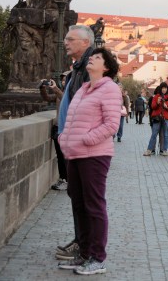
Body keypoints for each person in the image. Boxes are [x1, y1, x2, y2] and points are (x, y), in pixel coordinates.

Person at [57, 47, 121, 275]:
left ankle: (97, 257)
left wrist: (86, 139)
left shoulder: (110, 89)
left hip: (95, 155)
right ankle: (83, 254)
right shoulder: (84, 89)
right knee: (79, 204)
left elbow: (112, 124)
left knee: (94, 205)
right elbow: (70, 120)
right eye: (91, 56)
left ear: (105, 67)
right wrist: (64, 139)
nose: (90, 59)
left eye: (96, 57)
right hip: (74, 154)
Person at [54, 24, 94, 262]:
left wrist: (79, 139)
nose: (65, 42)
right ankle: (80, 242)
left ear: (85, 43)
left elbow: (93, 111)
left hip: (82, 147)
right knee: (76, 196)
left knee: (86, 200)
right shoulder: (79, 69)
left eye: (70, 39)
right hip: (72, 143)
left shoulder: (90, 69)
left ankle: (86, 248)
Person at [40, 71, 69, 190]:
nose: (63, 81)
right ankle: (64, 179)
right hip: (58, 127)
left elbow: (65, 99)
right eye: (62, 79)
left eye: (65, 79)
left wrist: (56, 89)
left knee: (65, 157)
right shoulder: (59, 93)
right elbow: (47, 98)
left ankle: (66, 180)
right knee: (60, 156)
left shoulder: (72, 94)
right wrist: (42, 88)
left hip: (67, 129)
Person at [143, 83, 168, 157]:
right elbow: (153, 107)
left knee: (166, 135)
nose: (164, 89)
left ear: (167, 89)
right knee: (154, 134)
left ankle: (164, 150)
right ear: (160, 89)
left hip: (166, 118)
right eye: (163, 88)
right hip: (157, 118)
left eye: (165, 88)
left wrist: (166, 107)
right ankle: (149, 150)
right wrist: (157, 102)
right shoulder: (156, 96)